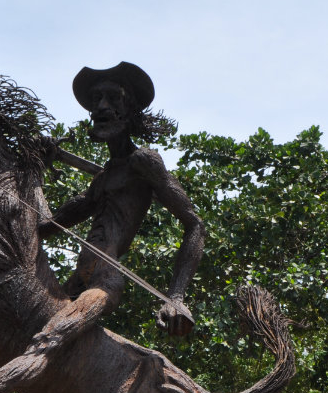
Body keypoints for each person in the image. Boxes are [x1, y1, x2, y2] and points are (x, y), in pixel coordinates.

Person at [36, 61, 205, 351]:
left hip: (104, 280)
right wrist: (35, 169)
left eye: (113, 98)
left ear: (131, 109)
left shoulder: (144, 162)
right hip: (77, 281)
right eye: (96, 100)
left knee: (49, 339)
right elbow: (44, 228)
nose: (101, 106)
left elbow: (195, 225)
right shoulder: (102, 180)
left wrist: (175, 297)